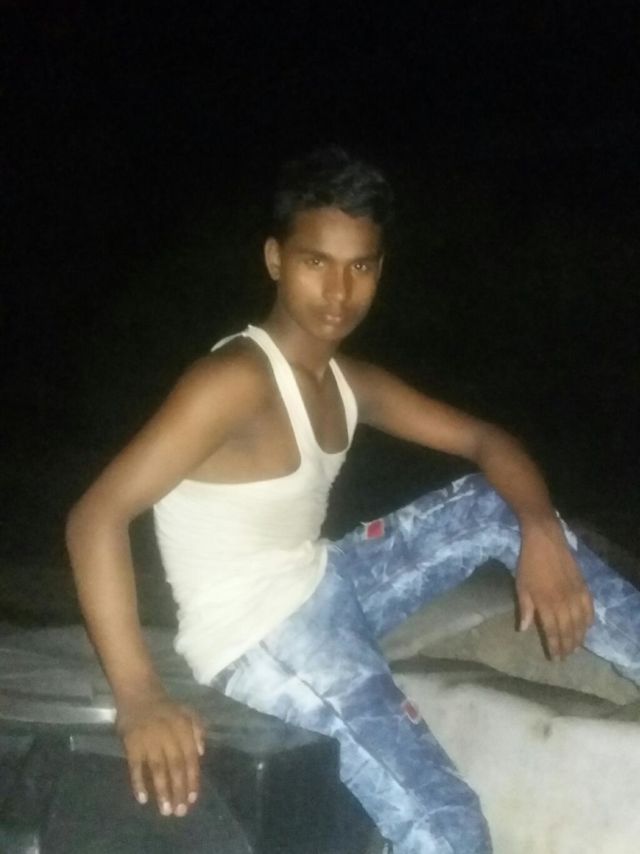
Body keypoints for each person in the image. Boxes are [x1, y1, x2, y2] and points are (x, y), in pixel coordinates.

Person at [66, 146, 640, 853]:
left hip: (322, 580)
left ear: (379, 269)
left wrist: (540, 531)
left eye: (360, 267)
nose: (338, 292)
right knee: (447, 820)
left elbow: (486, 439)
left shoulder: (345, 380)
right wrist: (140, 696)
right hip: (262, 638)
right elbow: (96, 517)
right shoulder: (233, 381)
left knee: (498, 506)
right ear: (275, 260)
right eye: (317, 262)